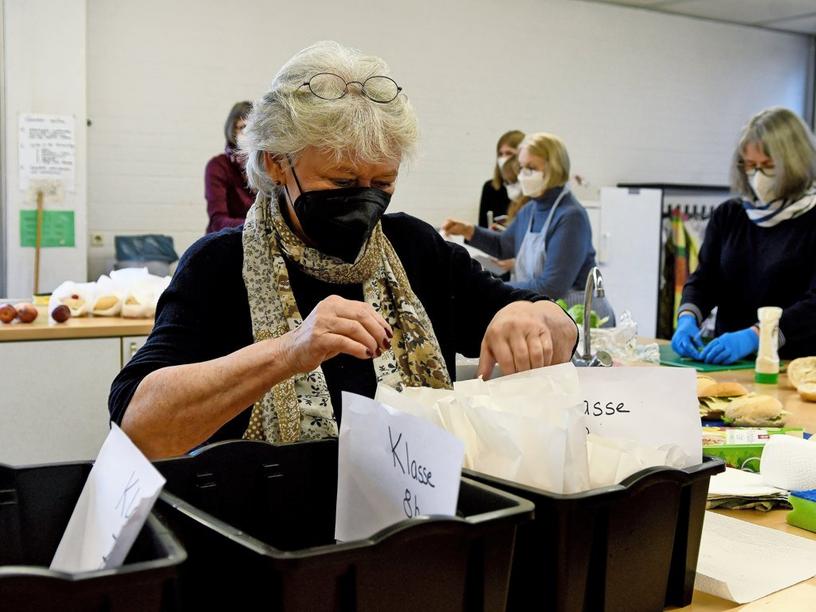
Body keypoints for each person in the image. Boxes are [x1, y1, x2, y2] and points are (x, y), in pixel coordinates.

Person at [110, 42, 578, 459]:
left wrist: (540, 318)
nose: (364, 198)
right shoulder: (218, 265)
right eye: (341, 182)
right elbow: (139, 427)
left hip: (406, 532)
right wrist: (288, 351)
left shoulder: (414, 251)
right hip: (271, 538)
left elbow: (545, 320)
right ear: (276, 161)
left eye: (382, 183)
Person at [672, 107, 816, 364]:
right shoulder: (731, 215)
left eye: (768, 167)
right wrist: (688, 317)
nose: (757, 176)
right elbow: (705, 279)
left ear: (795, 163)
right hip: (728, 362)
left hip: (793, 365)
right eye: (750, 166)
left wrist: (758, 335)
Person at [442, 132, 613, 323]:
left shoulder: (570, 216)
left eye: (531, 168)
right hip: (550, 310)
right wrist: (468, 230)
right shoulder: (531, 209)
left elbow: (551, 286)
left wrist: (492, 288)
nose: (522, 175)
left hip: (582, 317)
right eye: (522, 168)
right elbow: (503, 246)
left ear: (554, 169)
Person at [205, 101, 255, 233]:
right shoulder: (217, 166)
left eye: (253, 128)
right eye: (243, 127)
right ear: (232, 130)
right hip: (224, 241)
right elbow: (218, 221)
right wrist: (258, 225)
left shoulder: (268, 165)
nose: (249, 133)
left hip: (259, 240)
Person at [477, 130, 525, 227]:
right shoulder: (490, 187)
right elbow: (483, 226)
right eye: (500, 154)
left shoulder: (531, 188)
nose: (503, 159)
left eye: (509, 153)